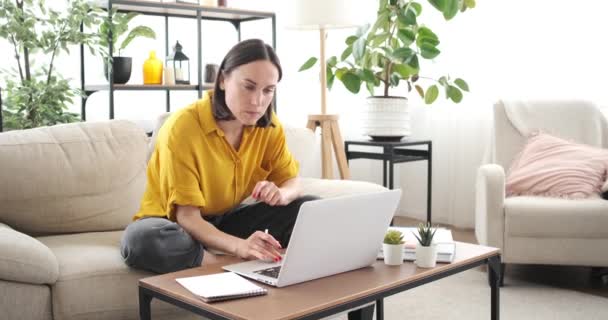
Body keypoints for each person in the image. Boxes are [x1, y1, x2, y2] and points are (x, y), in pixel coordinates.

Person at [120, 39, 319, 274]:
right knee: (143, 241)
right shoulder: (182, 128)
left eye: (268, 90)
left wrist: (282, 195)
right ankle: (220, 262)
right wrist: (241, 247)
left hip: (225, 221)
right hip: (174, 226)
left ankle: (221, 252)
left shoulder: (269, 126)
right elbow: (187, 216)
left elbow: (292, 181)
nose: (258, 102)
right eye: (248, 86)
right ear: (223, 80)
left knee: (311, 209)